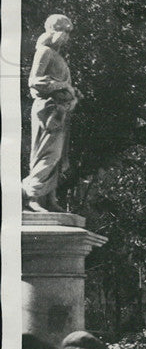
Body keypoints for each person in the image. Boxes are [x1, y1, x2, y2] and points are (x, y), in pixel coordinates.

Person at [23, 15, 81, 212]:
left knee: (55, 155)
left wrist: (72, 96)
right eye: (64, 31)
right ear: (54, 31)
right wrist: (63, 85)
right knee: (48, 154)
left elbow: (64, 86)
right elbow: (34, 81)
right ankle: (32, 194)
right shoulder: (44, 51)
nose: (66, 37)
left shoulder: (59, 57)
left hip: (60, 111)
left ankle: (49, 198)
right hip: (47, 109)